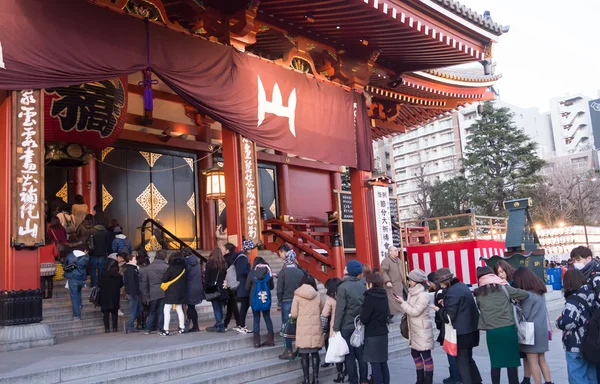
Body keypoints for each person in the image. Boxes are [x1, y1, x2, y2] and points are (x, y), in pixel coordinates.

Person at [474, 266, 528, 384]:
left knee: (495, 363)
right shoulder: (504, 288)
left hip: (492, 332)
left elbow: (480, 308)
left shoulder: (478, 293)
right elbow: (524, 294)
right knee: (511, 363)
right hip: (508, 329)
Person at [433, 268, 481, 384]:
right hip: (471, 329)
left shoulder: (452, 292)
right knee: (468, 360)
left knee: (462, 363)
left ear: (444, 281)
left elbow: (449, 317)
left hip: (461, 333)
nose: (440, 286)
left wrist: (439, 310)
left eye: (440, 283)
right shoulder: (462, 286)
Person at [512, 267, 553, 384]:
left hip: (531, 332)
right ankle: (549, 382)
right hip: (542, 330)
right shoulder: (540, 293)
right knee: (542, 360)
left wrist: (516, 303)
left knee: (532, 361)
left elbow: (525, 314)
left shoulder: (528, 296)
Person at [557, 269, 597, 384]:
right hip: (591, 342)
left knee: (577, 377)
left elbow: (569, 322)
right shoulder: (591, 294)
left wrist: (559, 321)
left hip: (575, 345)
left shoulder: (573, 300)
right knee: (591, 376)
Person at [395, 269, 434, 384]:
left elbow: (415, 311)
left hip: (422, 329)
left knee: (426, 355)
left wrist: (403, 303)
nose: (409, 282)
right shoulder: (412, 292)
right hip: (414, 328)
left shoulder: (423, 295)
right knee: (415, 353)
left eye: (410, 279)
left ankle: (428, 380)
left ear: (417, 281)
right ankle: (420, 379)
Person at [334, 260, 368, 384]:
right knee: (361, 355)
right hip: (359, 326)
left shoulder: (342, 287)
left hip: (346, 325)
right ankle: (364, 379)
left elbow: (340, 310)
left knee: (349, 356)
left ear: (348, 270)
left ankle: (353, 380)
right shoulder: (362, 286)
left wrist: (336, 328)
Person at [427, 272, 460, 384]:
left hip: (446, 325)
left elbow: (444, 311)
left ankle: (455, 376)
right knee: (454, 351)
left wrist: (437, 309)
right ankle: (457, 375)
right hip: (453, 324)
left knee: (450, 351)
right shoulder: (453, 289)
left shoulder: (441, 292)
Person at [291, 275, 324, 384]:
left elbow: (294, 314)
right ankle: (316, 379)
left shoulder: (297, 295)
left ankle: (306, 380)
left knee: (304, 354)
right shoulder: (318, 295)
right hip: (315, 327)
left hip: (302, 328)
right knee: (315, 353)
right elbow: (321, 310)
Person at [277, 244, 306, 360]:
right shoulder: (300, 273)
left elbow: (279, 289)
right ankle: (299, 348)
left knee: (286, 326)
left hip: (286, 301)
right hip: (298, 300)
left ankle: (288, 350)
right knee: (299, 325)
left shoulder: (282, 273)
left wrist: (280, 300)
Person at [361, 272, 390, 384]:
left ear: (370, 284)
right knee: (383, 362)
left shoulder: (369, 298)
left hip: (372, 334)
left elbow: (364, 318)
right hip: (383, 332)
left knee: (375, 363)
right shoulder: (384, 295)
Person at [245, 256, 275, 347]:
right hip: (265, 299)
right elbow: (271, 287)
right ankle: (271, 339)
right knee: (267, 318)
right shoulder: (268, 273)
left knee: (256, 319)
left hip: (255, 300)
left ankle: (257, 342)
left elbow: (247, 288)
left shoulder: (252, 273)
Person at [322, 277, 345, 379]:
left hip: (335, 326)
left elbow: (325, 313)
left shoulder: (330, 298)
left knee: (337, 351)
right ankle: (348, 372)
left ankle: (340, 374)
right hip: (346, 324)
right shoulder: (344, 294)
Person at [160, 252, 187, 336]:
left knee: (166, 310)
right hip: (181, 292)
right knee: (179, 309)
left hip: (171, 292)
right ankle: (182, 327)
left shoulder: (171, 268)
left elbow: (164, 279)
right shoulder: (184, 268)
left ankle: (166, 329)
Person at [142, 249, 168, 334]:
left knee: (152, 311)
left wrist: (145, 295)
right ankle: (159, 328)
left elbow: (144, 283)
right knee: (161, 311)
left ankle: (148, 329)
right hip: (163, 291)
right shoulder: (166, 267)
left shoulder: (148, 267)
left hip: (152, 292)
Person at [204, 248, 229, 333]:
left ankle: (220, 325)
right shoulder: (223, 263)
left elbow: (207, 278)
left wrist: (205, 287)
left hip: (213, 288)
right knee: (220, 307)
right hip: (222, 287)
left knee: (216, 308)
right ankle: (219, 323)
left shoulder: (210, 264)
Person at [63, 246, 89, 320]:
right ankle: (80, 305)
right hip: (82, 278)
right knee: (79, 292)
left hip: (73, 278)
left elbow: (65, 265)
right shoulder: (85, 257)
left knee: (74, 296)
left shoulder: (70, 255)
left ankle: (76, 315)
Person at [98, 258, 123, 333]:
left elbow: (99, 284)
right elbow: (121, 284)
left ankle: (107, 329)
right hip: (114, 296)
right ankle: (115, 328)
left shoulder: (103, 275)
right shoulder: (118, 276)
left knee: (106, 313)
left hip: (104, 296)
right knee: (114, 313)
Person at [381, 246, 405, 319]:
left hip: (399, 284)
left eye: (397, 250)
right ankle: (390, 316)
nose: (396, 252)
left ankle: (400, 314)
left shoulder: (399, 261)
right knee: (392, 300)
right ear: (390, 252)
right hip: (391, 285)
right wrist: (387, 281)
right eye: (394, 250)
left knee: (399, 299)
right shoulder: (386, 261)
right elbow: (383, 272)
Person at [234, 240, 252, 334]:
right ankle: (241, 325)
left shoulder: (241, 257)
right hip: (243, 285)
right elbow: (242, 271)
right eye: (250, 248)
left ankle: (241, 324)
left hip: (242, 285)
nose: (251, 250)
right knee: (244, 306)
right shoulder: (243, 258)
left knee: (244, 306)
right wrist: (250, 273)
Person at [223, 242, 242, 332]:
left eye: (224, 248)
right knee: (231, 303)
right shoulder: (237, 257)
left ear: (227, 250)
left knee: (232, 303)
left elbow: (223, 271)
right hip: (235, 282)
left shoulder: (226, 259)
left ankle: (238, 322)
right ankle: (226, 322)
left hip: (229, 283)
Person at [88, 216, 111, 288]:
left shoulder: (91, 231)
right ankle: (100, 283)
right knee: (101, 269)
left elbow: (89, 242)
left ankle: (93, 283)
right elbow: (108, 244)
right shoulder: (106, 232)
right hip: (102, 254)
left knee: (93, 269)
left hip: (93, 253)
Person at [184, 251, 204, 332]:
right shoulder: (197, 262)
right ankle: (190, 323)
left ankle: (195, 325)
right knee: (192, 306)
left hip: (189, 287)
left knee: (191, 307)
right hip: (197, 286)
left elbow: (185, 275)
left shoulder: (186, 263)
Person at [123, 254, 142, 334]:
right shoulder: (130, 269)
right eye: (134, 259)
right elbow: (131, 282)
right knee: (134, 310)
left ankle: (129, 325)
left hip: (134, 292)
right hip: (133, 293)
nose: (136, 260)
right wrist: (133, 293)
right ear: (130, 260)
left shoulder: (132, 269)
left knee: (139, 308)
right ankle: (129, 326)